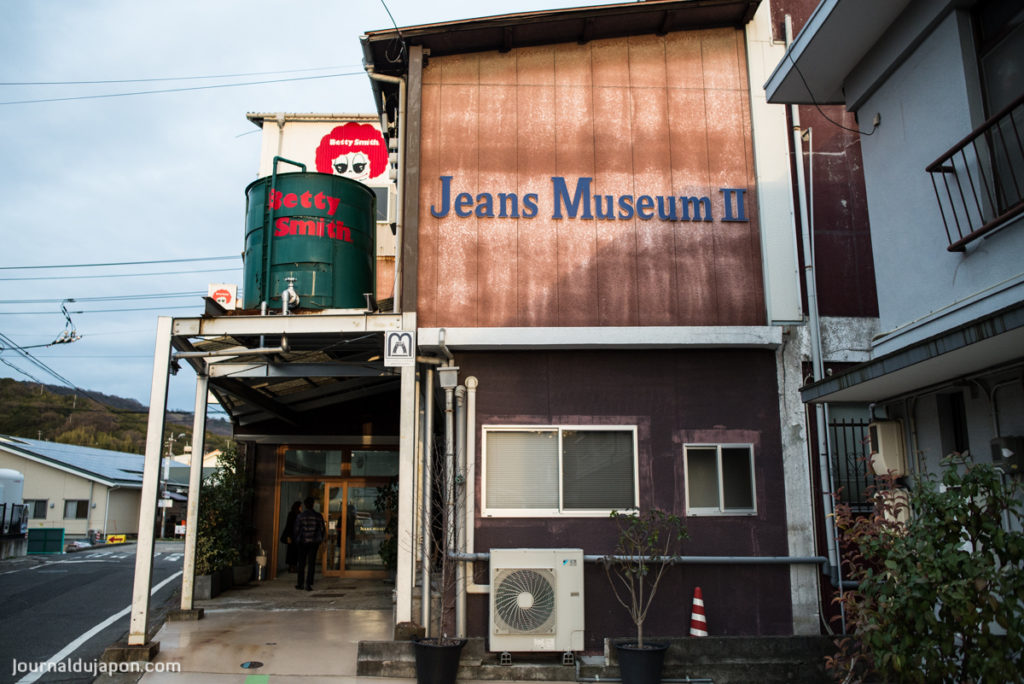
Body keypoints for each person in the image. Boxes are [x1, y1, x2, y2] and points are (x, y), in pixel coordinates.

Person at [293, 496, 325, 591]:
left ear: (305, 505)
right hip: (314, 542)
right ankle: (309, 583)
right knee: (311, 563)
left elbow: (296, 529)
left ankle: (300, 584)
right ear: (313, 504)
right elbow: (322, 529)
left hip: (302, 542)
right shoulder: (318, 516)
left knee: (301, 563)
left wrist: (297, 539)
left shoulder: (300, 516)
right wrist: (320, 539)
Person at [280, 501, 301, 573]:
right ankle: (293, 567)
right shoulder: (297, 514)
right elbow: (289, 525)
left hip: (292, 535)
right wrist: (289, 536)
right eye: (300, 506)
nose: (301, 508)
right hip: (294, 536)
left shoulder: (292, 514)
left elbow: (288, 525)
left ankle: (291, 567)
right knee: (294, 552)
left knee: (291, 552)